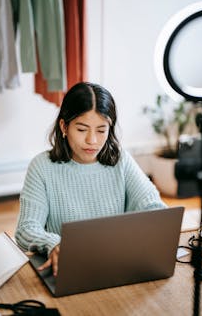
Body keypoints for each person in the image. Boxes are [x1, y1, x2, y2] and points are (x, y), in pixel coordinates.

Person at [15, 82, 166, 276]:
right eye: (82, 129)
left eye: (101, 130)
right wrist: (53, 244)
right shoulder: (42, 167)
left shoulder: (120, 160)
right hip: (66, 270)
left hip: (119, 265)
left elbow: (154, 208)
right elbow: (26, 229)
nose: (92, 141)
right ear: (64, 126)